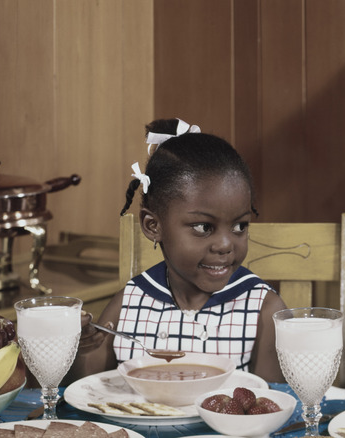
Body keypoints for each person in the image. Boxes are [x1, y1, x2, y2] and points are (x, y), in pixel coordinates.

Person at [70, 118, 287, 384]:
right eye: (203, 227)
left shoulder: (262, 308)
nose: (225, 244)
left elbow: (271, 403)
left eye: (240, 226)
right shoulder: (131, 301)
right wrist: (82, 347)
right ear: (153, 226)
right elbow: (88, 391)